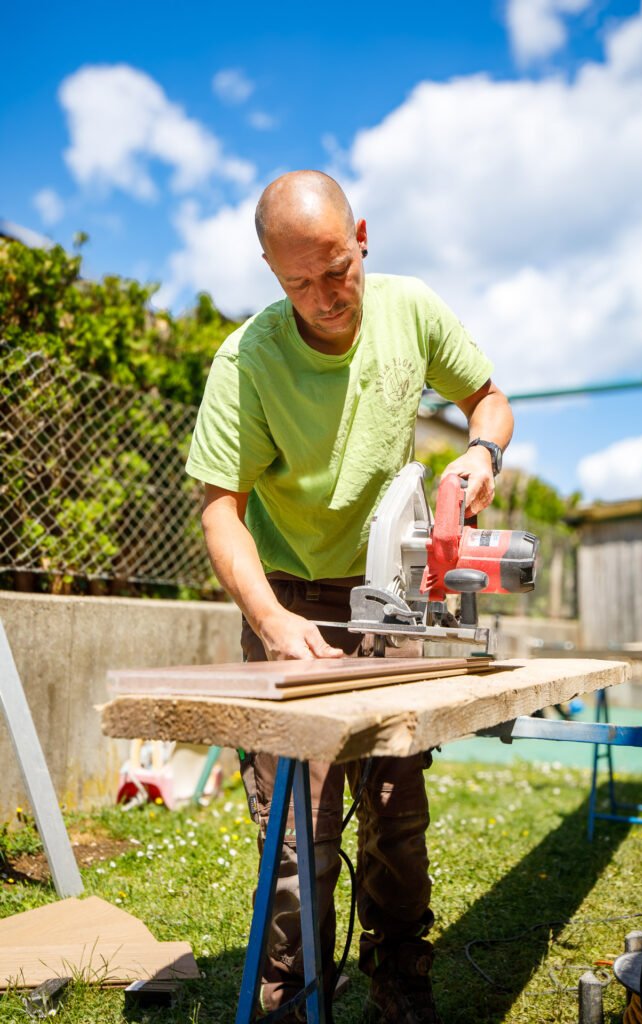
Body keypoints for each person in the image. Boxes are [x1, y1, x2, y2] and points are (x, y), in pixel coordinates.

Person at [186, 170, 514, 1024]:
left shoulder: (409, 309)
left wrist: (482, 453)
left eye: (337, 269)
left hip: (390, 589)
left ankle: (401, 993)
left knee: (396, 809)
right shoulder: (247, 362)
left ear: (360, 235)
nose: (326, 297)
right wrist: (271, 619)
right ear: (270, 271)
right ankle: (292, 1003)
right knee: (300, 830)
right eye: (298, 282)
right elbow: (220, 512)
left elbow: (487, 397)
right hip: (288, 591)